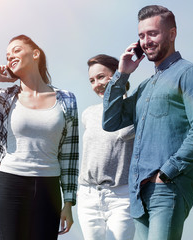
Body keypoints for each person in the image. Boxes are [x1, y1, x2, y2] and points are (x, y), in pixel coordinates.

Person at [0, 35, 79, 240]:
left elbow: (69, 155)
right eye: (7, 54)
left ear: (35, 53)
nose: (10, 56)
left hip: (49, 188)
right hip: (12, 185)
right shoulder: (3, 97)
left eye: (17, 50)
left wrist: (68, 202)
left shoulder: (66, 99)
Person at [102, 5, 193, 240]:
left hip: (168, 187)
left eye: (153, 33)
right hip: (140, 193)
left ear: (172, 34)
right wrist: (122, 74)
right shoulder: (145, 86)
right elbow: (110, 121)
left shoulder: (189, 74)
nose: (146, 41)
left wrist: (167, 172)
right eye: (141, 35)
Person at [77, 54, 135, 240]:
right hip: (88, 196)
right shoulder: (88, 114)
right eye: (92, 80)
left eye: (101, 77)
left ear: (116, 74)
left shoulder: (135, 108)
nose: (96, 84)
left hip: (121, 197)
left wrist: (118, 86)